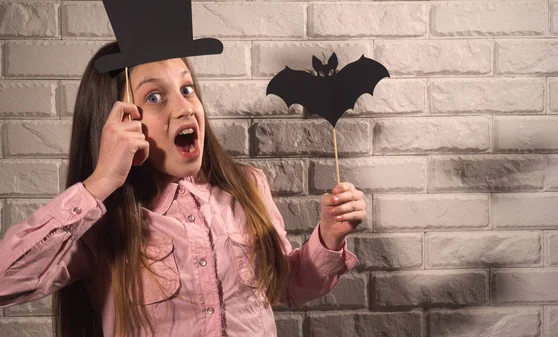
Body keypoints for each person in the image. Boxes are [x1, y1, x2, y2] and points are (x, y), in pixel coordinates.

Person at [0, 42, 366, 337]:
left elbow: (286, 286)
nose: (184, 107)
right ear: (115, 121)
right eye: (155, 98)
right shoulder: (103, 221)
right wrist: (100, 183)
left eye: (187, 88)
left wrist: (328, 239)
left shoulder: (248, 187)